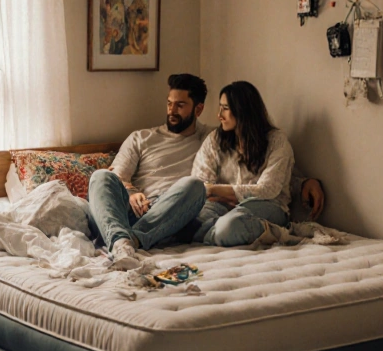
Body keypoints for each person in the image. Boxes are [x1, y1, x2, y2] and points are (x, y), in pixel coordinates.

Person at [88, 74, 326, 267]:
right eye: (169, 103)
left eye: (180, 105)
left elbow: (274, 177)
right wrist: (131, 192)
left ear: (198, 109)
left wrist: (304, 182)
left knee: (192, 186)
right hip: (137, 208)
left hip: (181, 211)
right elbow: (116, 176)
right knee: (99, 177)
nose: (172, 110)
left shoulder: (213, 136)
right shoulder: (141, 138)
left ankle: (127, 241)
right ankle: (123, 240)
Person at [190, 81, 294, 247]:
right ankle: (210, 231)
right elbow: (200, 182)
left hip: (268, 205)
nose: (219, 115)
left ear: (243, 110)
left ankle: (274, 232)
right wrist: (224, 195)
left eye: (225, 108)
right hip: (222, 204)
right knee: (190, 219)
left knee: (228, 226)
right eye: (220, 107)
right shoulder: (215, 139)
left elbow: (268, 189)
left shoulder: (277, 141)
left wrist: (220, 191)